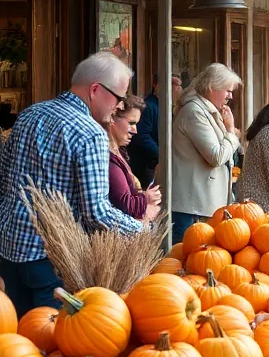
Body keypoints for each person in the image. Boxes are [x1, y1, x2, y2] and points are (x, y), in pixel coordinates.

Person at [0, 53, 146, 314]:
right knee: (54, 342)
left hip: (9, 250)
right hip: (53, 256)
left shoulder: (28, 115)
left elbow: (4, 182)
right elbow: (96, 213)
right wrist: (142, 230)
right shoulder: (90, 133)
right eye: (119, 98)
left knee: (19, 338)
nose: (119, 107)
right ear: (95, 90)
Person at [171, 63, 242, 244]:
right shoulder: (195, 112)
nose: (230, 96)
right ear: (212, 88)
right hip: (193, 207)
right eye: (227, 91)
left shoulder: (206, 110)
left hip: (201, 204)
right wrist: (231, 132)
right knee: (188, 261)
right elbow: (216, 156)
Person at [107, 95, 162, 222]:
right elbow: (123, 203)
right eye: (131, 123)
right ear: (112, 118)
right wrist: (146, 199)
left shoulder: (120, 152)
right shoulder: (108, 157)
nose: (135, 130)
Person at [128, 72, 179, 187]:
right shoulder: (149, 106)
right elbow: (142, 137)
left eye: (176, 85)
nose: (173, 88)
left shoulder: (164, 106)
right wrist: (163, 155)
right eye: (170, 84)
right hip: (147, 166)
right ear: (156, 85)